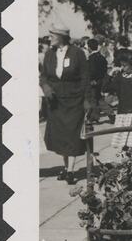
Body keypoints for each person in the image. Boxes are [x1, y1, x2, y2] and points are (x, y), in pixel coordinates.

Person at [40, 25, 91, 185]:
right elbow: (44, 77)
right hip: (55, 102)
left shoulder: (77, 53)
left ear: (61, 36)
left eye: (53, 35)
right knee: (61, 136)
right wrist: (46, 88)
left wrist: (87, 99)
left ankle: (70, 171)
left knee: (72, 135)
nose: (50, 38)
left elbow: (85, 78)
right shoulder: (49, 54)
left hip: (74, 100)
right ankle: (66, 167)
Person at [104, 49, 132, 150]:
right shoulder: (120, 77)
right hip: (122, 114)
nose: (122, 68)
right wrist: (110, 74)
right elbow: (105, 88)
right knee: (121, 146)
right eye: (121, 65)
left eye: (125, 65)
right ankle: (126, 165)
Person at [86, 38, 108, 122]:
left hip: (94, 81)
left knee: (93, 99)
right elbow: (105, 68)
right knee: (99, 98)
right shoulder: (101, 57)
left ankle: (94, 117)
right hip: (101, 80)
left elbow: (92, 71)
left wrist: (92, 79)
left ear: (89, 48)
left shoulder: (91, 58)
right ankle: (111, 113)